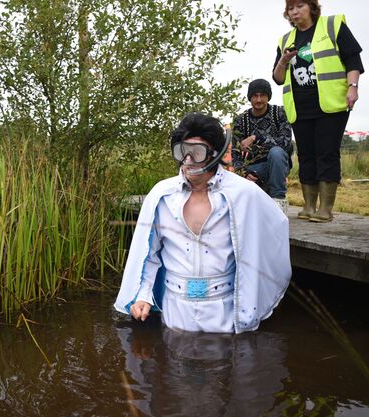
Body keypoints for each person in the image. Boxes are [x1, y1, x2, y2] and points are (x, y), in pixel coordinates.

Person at [114, 113, 291, 334]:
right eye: (182, 151)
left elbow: (277, 228)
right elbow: (149, 254)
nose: (188, 160)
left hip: (225, 313)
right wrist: (143, 295)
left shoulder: (243, 194)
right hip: (175, 311)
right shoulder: (162, 195)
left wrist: (259, 292)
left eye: (197, 153)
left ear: (214, 155)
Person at [272, 0, 364, 222]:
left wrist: (353, 87)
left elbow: (352, 58)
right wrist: (284, 60)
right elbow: (277, 78)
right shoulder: (285, 40)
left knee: (326, 152)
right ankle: (309, 206)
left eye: (299, 6)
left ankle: (326, 209)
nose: (294, 12)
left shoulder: (332, 25)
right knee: (306, 154)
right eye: (290, 9)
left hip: (331, 104)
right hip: (300, 106)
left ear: (311, 7)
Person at [231, 79, 293, 214]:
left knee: (276, 152)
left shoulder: (279, 113)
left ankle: (279, 200)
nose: (259, 100)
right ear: (250, 98)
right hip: (255, 168)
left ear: (268, 96)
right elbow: (235, 153)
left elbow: (286, 142)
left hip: (279, 163)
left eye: (262, 95)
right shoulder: (241, 120)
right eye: (255, 96)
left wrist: (256, 138)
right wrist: (243, 172)